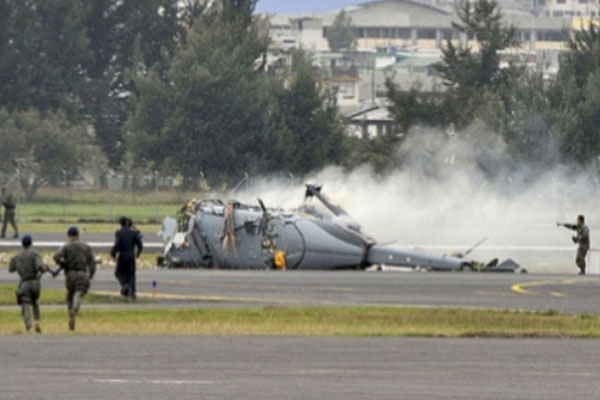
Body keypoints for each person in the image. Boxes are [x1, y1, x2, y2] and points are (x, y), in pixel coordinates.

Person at [53, 226, 96, 331]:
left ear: (68, 235)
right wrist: (91, 274)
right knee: (79, 292)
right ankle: (75, 309)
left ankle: (70, 312)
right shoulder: (86, 247)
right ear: (78, 235)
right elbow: (92, 263)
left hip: (70, 274)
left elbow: (56, 257)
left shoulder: (66, 247)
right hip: (82, 273)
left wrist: (63, 264)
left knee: (70, 295)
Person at [9, 235, 47, 333]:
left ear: (22, 244)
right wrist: (44, 268)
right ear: (31, 243)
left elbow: (11, 269)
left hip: (24, 283)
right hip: (35, 282)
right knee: (35, 302)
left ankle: (29, 326)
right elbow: (39, 266)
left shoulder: (17, 256)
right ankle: (37, 320)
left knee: (25, 304)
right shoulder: (35, 254)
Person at [110, 216, 143, 299]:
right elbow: (140, 244)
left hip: (122, 255)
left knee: (118, 273)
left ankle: (125, 284)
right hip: (131, 255)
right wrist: (138, 253)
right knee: (131, 275)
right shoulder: (133, 233)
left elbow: (117, 244)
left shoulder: (119, 232)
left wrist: (113, 253)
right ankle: (132, 293)